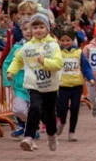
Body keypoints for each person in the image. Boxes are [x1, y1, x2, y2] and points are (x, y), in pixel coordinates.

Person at [6, 13, 63, 152]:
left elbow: (58, 64)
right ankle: (29, 137)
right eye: (35, 27)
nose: (38, 30)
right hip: (34, 84)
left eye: (41, 27)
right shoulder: (26, 47)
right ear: (31, 30)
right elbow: (18, 60)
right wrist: (11, 71)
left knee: (49, 115)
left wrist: (45, 62)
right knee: (35, 108)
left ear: (47, 29)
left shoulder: (53, 46)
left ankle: (51, 135)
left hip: (50, 85)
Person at [56, 26, 96, 142]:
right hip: (62, 85)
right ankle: (62, 121)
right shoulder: (57, 52)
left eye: (68, 40)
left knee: (74, 109)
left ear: (73, 40)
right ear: (59, 40)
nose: (65, 43)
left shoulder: (79, 52)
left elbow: (86, 67)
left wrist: (91, 78)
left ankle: (71, 132)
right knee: (62, 109)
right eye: (62, 40)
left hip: (76, 85)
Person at [3, 19, 33, 139]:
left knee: (33, 109)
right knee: (19, 109)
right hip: (19, 85)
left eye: (31, 28)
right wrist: (7, 79)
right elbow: (8, 62)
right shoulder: (17, 47)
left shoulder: (42, 46)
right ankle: (27, 125)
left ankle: (28, 128)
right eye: (25, 29)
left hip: (35, 85)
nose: (28, 31)